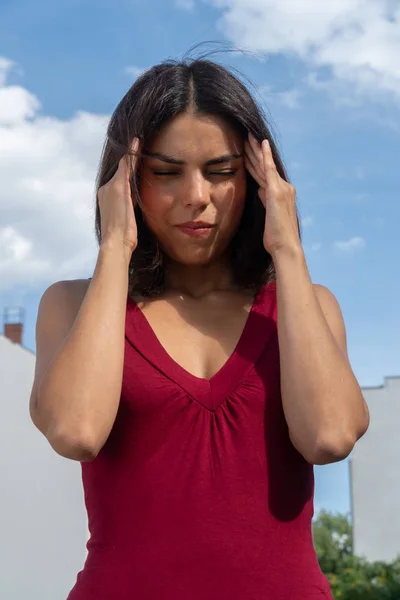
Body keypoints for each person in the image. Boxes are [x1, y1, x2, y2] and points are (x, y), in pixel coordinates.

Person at [29, 56, 370, 599]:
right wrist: (115, 246)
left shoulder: (309, 307)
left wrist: (287, 248)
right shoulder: (72, 305)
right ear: (126, 181)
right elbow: (76, 431)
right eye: (165, 173)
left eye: (221, 171)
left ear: (259, 178)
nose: (196, 195)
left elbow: (328, 437)